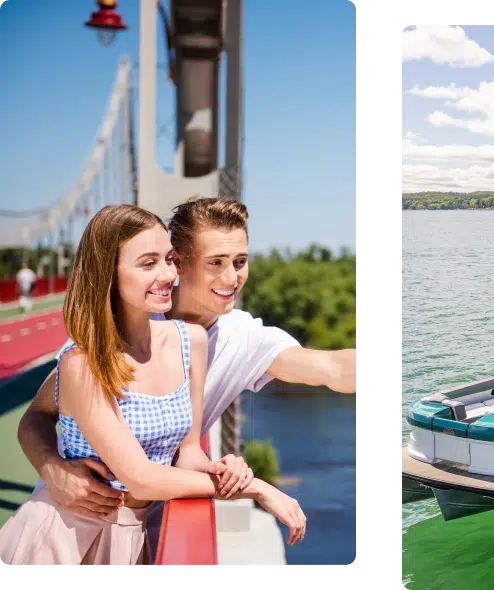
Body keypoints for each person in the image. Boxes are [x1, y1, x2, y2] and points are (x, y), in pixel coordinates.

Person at [17, 197, 355, 559]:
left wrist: (223, 470)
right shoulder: (110, 336)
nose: (231, 278)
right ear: (179, 262)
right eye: (215, 263)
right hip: (72, 524)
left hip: (143, 525)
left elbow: (334, 368)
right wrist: (51, 467)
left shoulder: (230, 338)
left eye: (240, 262)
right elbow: (37, 415)